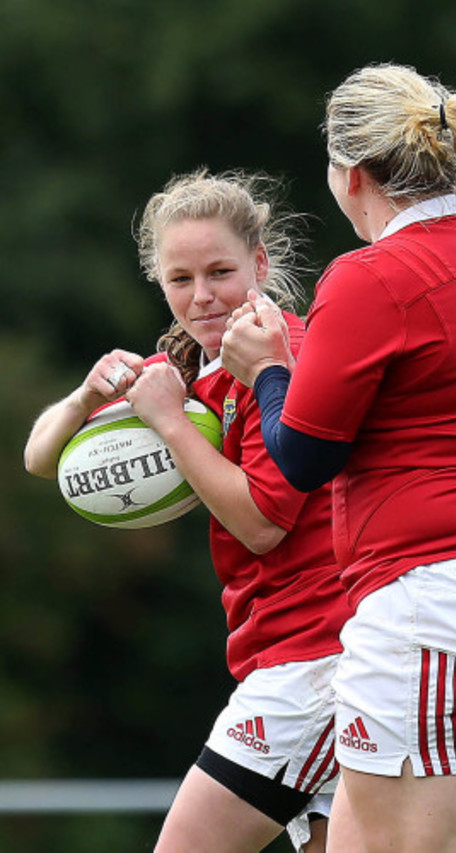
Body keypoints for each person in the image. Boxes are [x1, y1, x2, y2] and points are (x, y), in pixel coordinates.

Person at [221, 63, 456, 853]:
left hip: (434, 599)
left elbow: (302, 459)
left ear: (354, 175)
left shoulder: (376, 273)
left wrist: (269, 372)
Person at [23, 168, 354, 853]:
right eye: (180, 278)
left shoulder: (282, 359)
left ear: (259, 263)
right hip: (289, 659)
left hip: (317, 658)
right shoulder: (184, 373)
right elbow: (41, 456)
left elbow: (264, 523)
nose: (202, 296)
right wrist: (87, 399)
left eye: (220, 271)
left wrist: (172, 423)